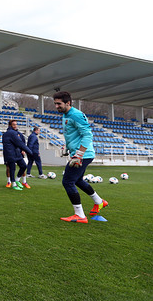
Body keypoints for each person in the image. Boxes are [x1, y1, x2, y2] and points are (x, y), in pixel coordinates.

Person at [54, 91, 108, 223]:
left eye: (59, 104)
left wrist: (79, 154)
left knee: (67, 181)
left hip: (83, 155)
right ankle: (99, 201)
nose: (56, 106)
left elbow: (88, 135)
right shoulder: (65, 114)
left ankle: (80, 215)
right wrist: (67, 148)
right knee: (77, 180)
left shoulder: (76, 115)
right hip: (78, 153)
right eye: (55, 104)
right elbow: (71, 134)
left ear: (68, 103)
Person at [2, 120, 33, 190]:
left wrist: (23, 150)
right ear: (10, 125)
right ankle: (13, 184)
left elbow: (22, 143)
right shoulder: (11, 133)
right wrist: (30, 152)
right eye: (14, 125)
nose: (15, 126)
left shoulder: (16, 133)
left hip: (17, 153)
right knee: (12, 169)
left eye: (16, 124)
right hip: (10, 154)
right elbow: (20, 143)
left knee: (24, 166)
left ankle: (17, 179)